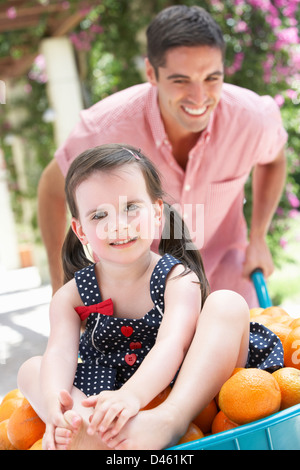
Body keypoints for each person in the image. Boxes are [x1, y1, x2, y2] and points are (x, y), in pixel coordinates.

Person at [18, 144, 283, 450]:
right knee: (33, 369)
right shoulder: (70, 297)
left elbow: (173, 343)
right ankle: (84, 428)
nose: (118, 224)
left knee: (228, 303)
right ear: (81, 231)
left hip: (187, 387)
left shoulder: (177, 279)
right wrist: (54, 402)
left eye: (131, 207)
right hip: (109, 400)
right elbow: (61, 354)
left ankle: (169, 421)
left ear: (157, 212)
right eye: (99, 214)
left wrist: (133, 395)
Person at [38, 5, 287, 307]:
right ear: (151, 73)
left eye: (211, 78)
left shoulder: (252, 118)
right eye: (180, 80)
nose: (199, 97)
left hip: (227, 282)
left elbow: (273, 160)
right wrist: (60, 284)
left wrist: (258, 237)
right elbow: (52, 189)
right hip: (142, 295)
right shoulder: (105, 128)